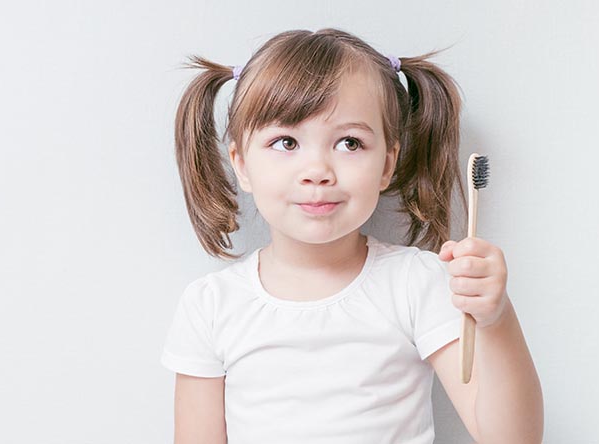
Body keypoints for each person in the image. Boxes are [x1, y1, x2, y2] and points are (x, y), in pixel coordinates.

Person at [161, 28, 543, 444]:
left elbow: (512, 439)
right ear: (241, 165)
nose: (317, 171)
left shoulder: (417, 284)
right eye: (286, 142)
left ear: (387, 165)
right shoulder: (210, 306)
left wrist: (496, 319)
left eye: (349, 143)